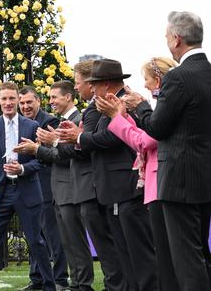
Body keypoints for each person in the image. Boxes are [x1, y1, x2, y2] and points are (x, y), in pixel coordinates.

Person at [126, 11, 211, 291]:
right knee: (199, 253)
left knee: (186, 261)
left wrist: (140, 107)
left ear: (176, 39)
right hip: (204, 177)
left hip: (179, 182)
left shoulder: (178, 77)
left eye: (166, 36)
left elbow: (157, 129)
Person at [57, 59, 158, 291]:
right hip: (114, 189)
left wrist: (80, 138)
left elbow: (112, 138)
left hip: (126, 188)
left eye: (96, 84)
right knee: (126, 256)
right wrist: (80, 136)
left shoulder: (126, 102)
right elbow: (103, 134)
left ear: (108, 83)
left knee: (139, 257)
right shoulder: (107, 105)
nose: (92, 88)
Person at [95, 55, 180, 291]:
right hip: (151, 187)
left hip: (156, 186)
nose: (144, 85)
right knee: (146, 256)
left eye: (147, 79)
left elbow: (144, 141)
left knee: (157, 258)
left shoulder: (163, 106)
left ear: (159, 80)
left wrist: (119, 117)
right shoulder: (153, 106)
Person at [54, 60, 127, 291]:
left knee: (109, 246)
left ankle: (114, 285)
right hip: (92, 186)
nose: (81, 88)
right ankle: (112, 284)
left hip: (96, 186)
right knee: (106, 245)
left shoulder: (99, 108)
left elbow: (95, 143)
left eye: (80, 83)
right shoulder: (96, 108)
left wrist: (67, 139)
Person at [14, 81, 94, 291]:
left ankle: (75, 283)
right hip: (58, 189)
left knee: (70, 241)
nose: (52, 102)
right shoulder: (62, 121)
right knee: (65, 240)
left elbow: (71, 154)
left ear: (68, 97)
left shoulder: (75, 120)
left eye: (54, 97)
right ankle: (74, 283)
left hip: (68, 187)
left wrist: (43, 146)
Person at [0, 82, 55, 291]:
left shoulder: (31, 127)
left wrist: (22, 168)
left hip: (27, 190)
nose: (8, 103)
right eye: (4, 99)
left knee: (36, 242)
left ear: (17, 101)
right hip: (0, 194)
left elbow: (41, 160)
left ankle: (50, 286)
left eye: (12, 98)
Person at [17, 87, 68, 291]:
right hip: (30, 187)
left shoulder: (50, 122)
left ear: (38, 101)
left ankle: (61, 279)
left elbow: (55, 152)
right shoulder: (22, 124)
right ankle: (37, 278)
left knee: (53, 235)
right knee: (35, 235)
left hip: (47, 186)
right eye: (22, 103)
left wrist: (37, 149)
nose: (25, 106)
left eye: (29, 102)